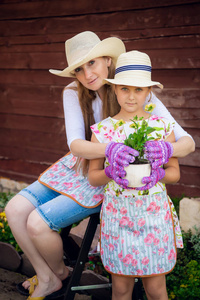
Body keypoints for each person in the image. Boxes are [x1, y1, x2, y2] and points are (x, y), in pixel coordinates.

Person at [5, 31, 194, 300]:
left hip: (113, 177)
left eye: (91, 63)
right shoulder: (72, 91)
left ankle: (55, 275)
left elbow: (187, 143)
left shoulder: (136, 92)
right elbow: (76, 145)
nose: (87, 74)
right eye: (79, 69)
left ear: (108, 60)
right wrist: (112, 148)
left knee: (37, 223)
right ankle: (49, 276)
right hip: (83, 164)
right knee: (14, 210)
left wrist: (165, 150)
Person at [88, 50, 181, 300]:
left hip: (154, 216)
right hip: (119, 219)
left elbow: (174, 174)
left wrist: (159, 172)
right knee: (120, 290)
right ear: (115, 90)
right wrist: (109, 172)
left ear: (148, 92)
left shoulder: (162, 127)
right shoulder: (103, 131)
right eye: (125, 89)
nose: (131, 96)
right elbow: (93, 177)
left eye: (138, 90)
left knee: (156, 289)